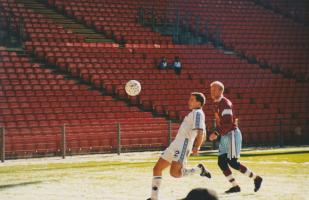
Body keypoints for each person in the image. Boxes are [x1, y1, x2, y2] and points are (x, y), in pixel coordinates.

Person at [147, 92, 211, 200]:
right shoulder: (194, 113)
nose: (189, 101)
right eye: (189, 99)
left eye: (192, 99)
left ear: (199, 103)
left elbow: (201, 131)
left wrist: (197, 146)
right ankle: (154, 198)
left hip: (184, 145)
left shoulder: (198, 113)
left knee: (175, 173)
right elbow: (203, 131)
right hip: (176, 143)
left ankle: (199, 169)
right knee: (157, 168)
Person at [208, 81, 263, 193]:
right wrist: (218, 132)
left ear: (220, 90)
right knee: (221, 162)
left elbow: (228, 123)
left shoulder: (225, 103)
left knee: (232, 162)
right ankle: (235, 186)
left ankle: (256, 178)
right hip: (225, 135)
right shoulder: (216, 103)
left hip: (231, 134)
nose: (212, 92)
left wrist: (216, 133)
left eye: (214, 89)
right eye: (211, 89)